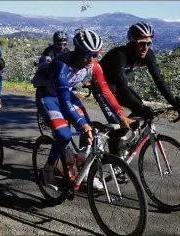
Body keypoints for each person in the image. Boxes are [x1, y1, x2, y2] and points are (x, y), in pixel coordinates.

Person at [34, 29, 132, 191]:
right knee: (64, 135)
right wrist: (81, 125)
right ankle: (48, 170)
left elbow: (105, 91)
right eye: (87, 55)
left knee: (91, 134)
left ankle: (84, 170)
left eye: (95, 55)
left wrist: (121, 116)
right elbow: (64, 98)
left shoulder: (93, 65)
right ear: (78, 51)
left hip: (67, 95)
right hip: (49, 97)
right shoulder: (61, 64)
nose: (91, 59)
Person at [98, 22, 180, 155]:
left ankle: (118, 141)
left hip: (117, 85)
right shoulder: (120, 55)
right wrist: (140, 108)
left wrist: (174, 102)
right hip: (102, 86)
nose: (145, 47)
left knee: (139, 110)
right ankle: (113, 157)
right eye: (141, 43)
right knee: (118, 121)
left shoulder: (148, 55)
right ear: (133, 41)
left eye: (148, 43)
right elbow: (122, 88)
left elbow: (159, 81)